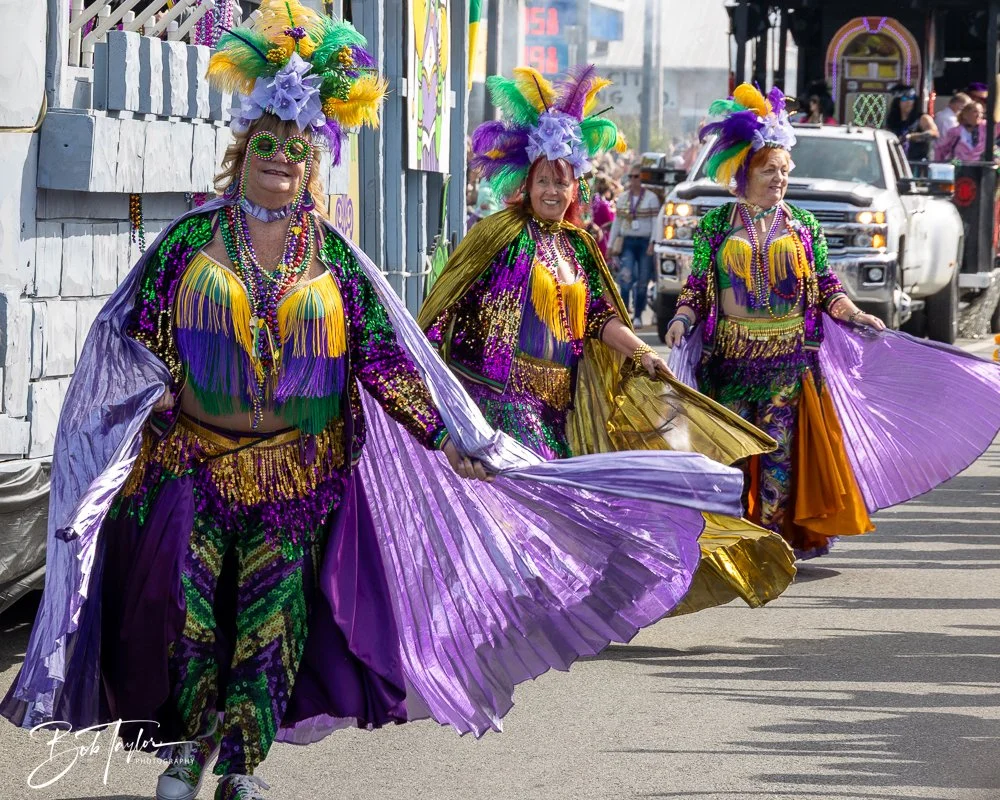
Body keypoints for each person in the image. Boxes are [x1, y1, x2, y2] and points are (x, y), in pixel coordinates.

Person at [1, 13, 755, 800]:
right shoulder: (188, 247)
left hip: (296, 478)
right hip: (190, 468)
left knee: (271, 618)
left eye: (297, 151)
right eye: (267, 147)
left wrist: (445, 435)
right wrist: (120, 436)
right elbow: (133, 346)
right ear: (241, 153)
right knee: (190, 617)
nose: (281, 164)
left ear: (313, 163)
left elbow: (388, 362)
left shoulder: (334, 261)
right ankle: (189, 748)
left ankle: (242, 765)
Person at [421, 66, 796, 615]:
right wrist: (428, 382)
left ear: (578, 186)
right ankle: (496, 605)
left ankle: (521, 603)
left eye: (564, 180)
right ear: (525, 182)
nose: (554, 190)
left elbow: (599, 317)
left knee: (549, 505)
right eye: (545, 180)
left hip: (557, 403)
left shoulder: (577, 245)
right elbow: (440, 310)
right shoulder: (495, 236)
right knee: (531, 501)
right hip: (493, 397)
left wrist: (642, 353)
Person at [666, 83, 1000, 559]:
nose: (779, 178)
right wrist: (682, 318)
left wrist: (855, 312)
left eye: (784, 170)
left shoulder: (804, 224)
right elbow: (699, 285)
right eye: (769, 170)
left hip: (786, 361)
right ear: (744, 174)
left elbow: (825, 286)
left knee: (779, 455)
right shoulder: (717, 225)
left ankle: (771, 544)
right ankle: (729, 541)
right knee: (729, 454)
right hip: (728, 362)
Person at [608, 164, 661, 325]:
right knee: (625, 277)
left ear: (642, 178)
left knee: (643, 280)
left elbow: (655, 223)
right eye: (631, 176)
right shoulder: (623, 198)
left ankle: (638, 315)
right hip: (628, 242)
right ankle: (625, 314)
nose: (633, 180)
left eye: (636, 176)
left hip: (645, 243)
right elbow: (616, 222)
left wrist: (653, 242)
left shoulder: (651, 198)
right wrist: (610, 245)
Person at [885, 85, 938, 162]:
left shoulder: (923, 118)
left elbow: (934, 133)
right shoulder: (893, 121)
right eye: (905, 98)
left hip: (917, 165)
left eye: (911, 98)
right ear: (897, 102)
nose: (909, 102)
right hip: (896, 163)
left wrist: (911, 137)